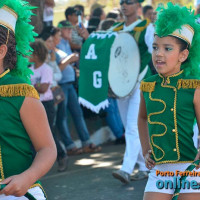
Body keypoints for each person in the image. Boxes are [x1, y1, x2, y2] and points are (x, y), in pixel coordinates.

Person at [139, 3, 200, 200]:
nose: (159, 54)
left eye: (167, 48)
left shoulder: (194, 86)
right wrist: (146, 148)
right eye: (155, 47)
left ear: (183, 55)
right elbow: (142, 118)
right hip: (160, 170)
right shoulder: (147, 85)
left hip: (190, 167)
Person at [0, 1, 57, 199]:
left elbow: (47, 149)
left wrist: (27, 177)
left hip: (17, 194)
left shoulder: (20, 92)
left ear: (1, 51)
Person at [110, 0, 154, 183]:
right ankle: (145, 166)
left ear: (138, 5)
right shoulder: (115, 28)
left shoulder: (147, 27)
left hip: (140, 82)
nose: (124, 5)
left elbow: (156, 51)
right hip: (120, 84)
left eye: (128, 2)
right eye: (122, 2)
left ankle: (126, 169)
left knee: (133, 126)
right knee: (130, 127)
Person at [51, 26, 102, 155]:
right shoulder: (53, 49)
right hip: (60, 85)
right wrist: (70, 59)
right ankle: (69, 146)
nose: (69, 31)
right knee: (61, 117)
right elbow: (56, 69)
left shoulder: (65, 44)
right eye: (65, 29)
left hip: (69, 84)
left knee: (77, 113)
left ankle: (86, 142)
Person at [29, 39, 68, 172]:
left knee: (48, 132)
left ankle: (62, 156)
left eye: (30, 53)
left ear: (36, 54)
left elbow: (44, 88)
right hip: (35, 104)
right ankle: (34, 165)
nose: (28, 55)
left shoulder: (46, 69)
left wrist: (32, 86)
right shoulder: (30, 69)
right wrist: (36, 86)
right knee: (32, 134)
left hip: (46, 104)